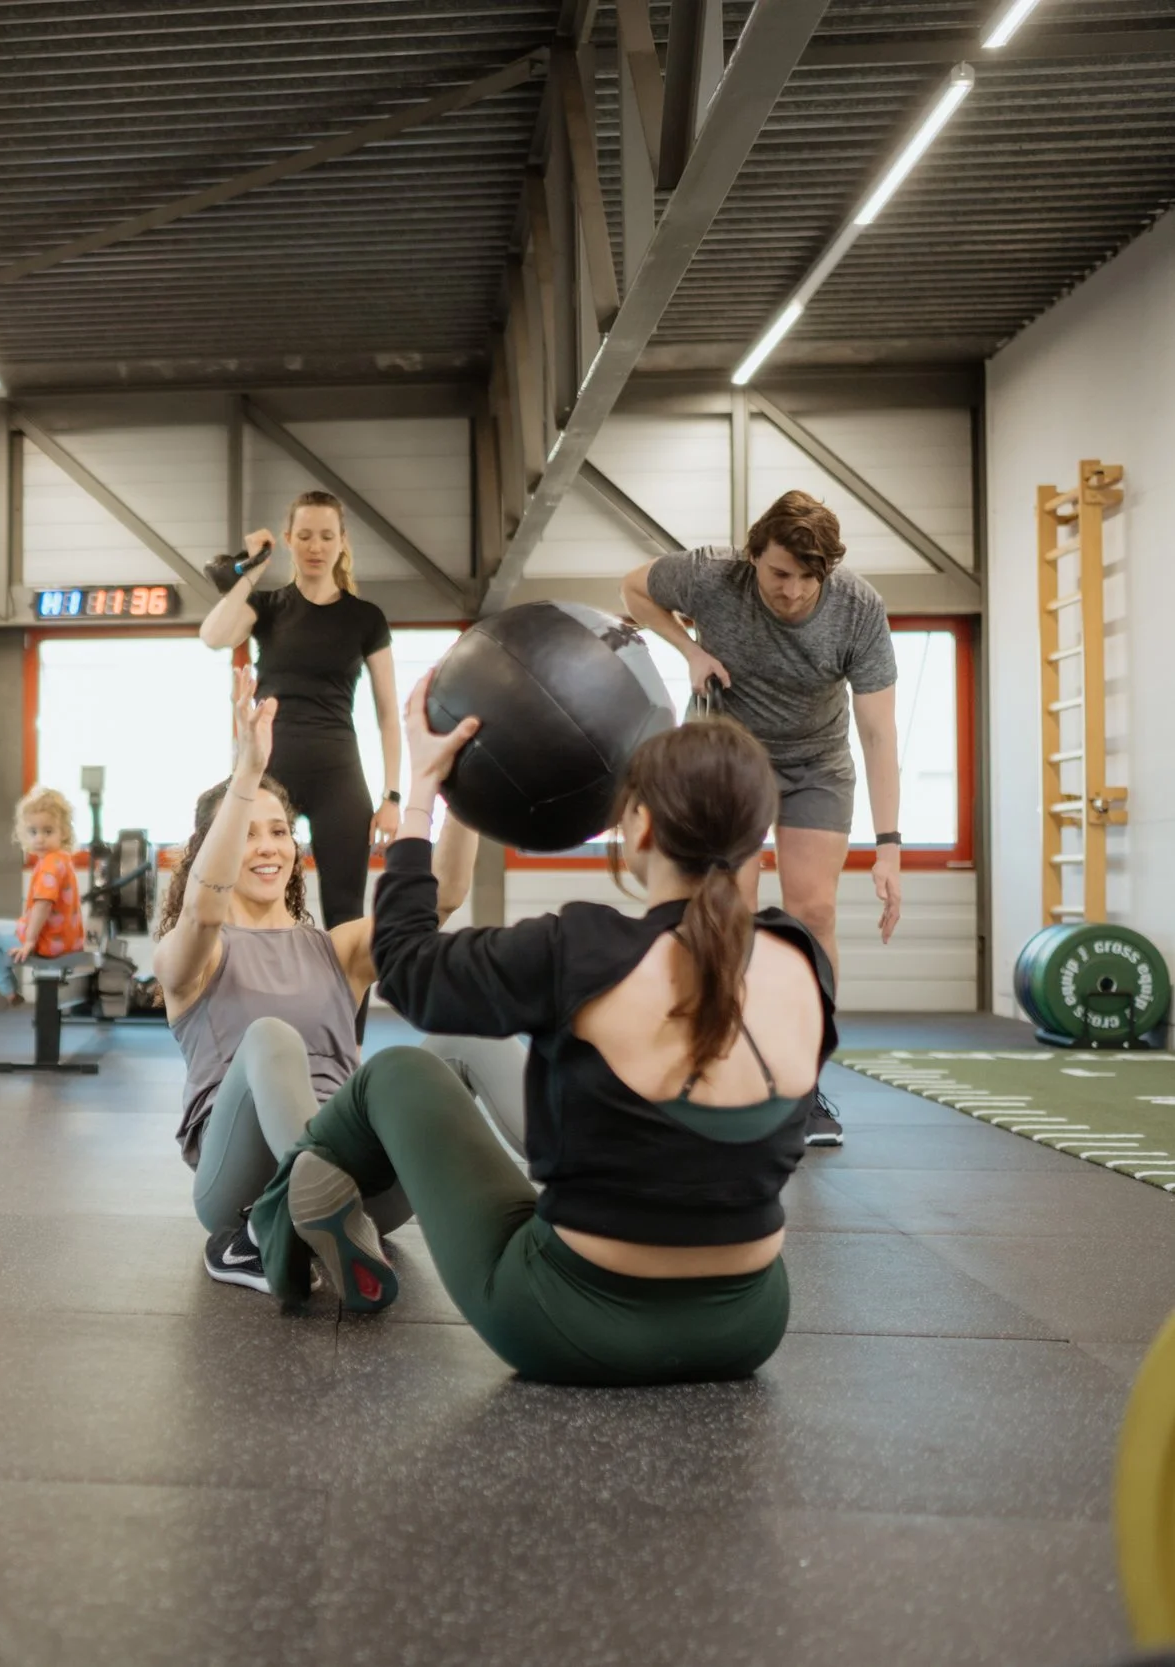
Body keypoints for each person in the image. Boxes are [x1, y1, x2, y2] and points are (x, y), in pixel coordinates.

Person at [241, 683, 835, 1388]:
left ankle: (277, 1218)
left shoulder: (582, 949)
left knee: (399, 1072)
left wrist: (423, 792)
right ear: (756, 836)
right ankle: (300, 1195)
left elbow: (403, 966)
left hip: (571, 1323)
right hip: (749, 1325)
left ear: (639, 828)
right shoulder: (804, 961)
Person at [153, 666, 476, 1293]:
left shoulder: (339, 950)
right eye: (247, 833)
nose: (269, 847)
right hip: (241, 1193)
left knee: (460, 1045)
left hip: (359, 1197)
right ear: (210, 849)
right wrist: (246, 775)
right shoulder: (190, 956)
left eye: (280, 831)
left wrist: (464, 790)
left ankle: (583, 1197)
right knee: (272, 1038)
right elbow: (203, 906)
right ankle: (271, 1226)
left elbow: (444, 896)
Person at [621, 489, 900, 1146]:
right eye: (780, 573)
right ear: (753, 558)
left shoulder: (858, 608)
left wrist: (889, 844)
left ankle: (805, 1074)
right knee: (729, 909)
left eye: (809, 577)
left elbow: (879, 731)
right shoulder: (712, 575)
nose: (795, 590)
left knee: (814, 911)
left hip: (815, 764)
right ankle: (717, 1061)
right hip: (729, 757)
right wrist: (688, 649)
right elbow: (634, 589)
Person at [198, 489, 403, 928]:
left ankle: (347, 1001)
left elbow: (388, 713)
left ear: (342, 541)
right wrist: (252, 571)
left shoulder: (366, 618)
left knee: (346, 913)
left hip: (339, 775)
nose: (316, 547)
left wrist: (393, 795)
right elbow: (213, 636)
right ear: (288, 539)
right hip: (272, 772)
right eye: (305, 535)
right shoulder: (268, 607)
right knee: (264, 907)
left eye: (327, 536)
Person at [0, 786, 85, 1006]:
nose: (40, 838)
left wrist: (29, 942)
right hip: (70, 942)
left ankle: (8, 989)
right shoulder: (63, 860)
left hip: (46, 944)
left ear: (64, 831)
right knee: (6, 930)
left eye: (48, 831)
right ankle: (9, 965)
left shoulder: (48, 865)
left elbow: (43, 904)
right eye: (33, 832)